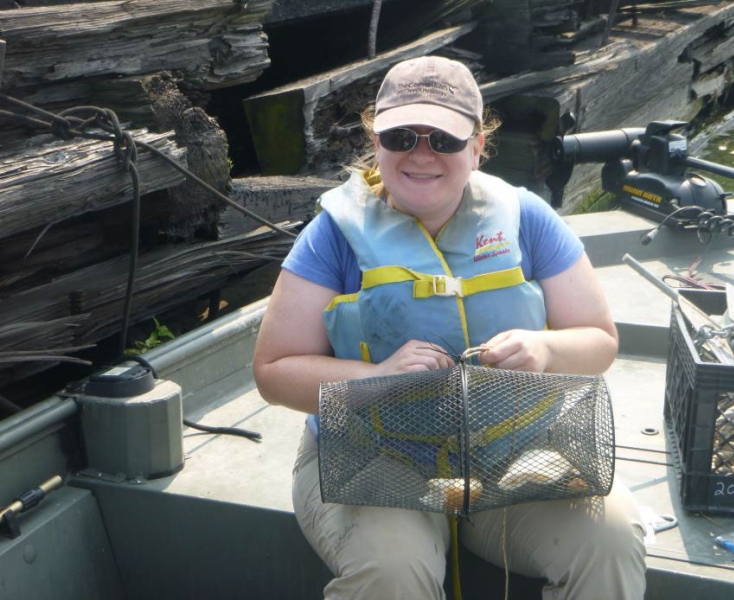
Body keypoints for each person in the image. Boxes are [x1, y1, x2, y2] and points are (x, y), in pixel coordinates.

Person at [253, 55, 646, 600]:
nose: (420, 154)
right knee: (394, 570)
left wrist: (545, 349)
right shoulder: (331, 236)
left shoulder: (528, 218)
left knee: (611, 539)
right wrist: (379, 375)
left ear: (478, 147)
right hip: (369, 458)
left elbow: (599, 342)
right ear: (375, 140)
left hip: (516, 451)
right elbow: (274, 371)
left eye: (444, 139)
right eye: (401, 136)